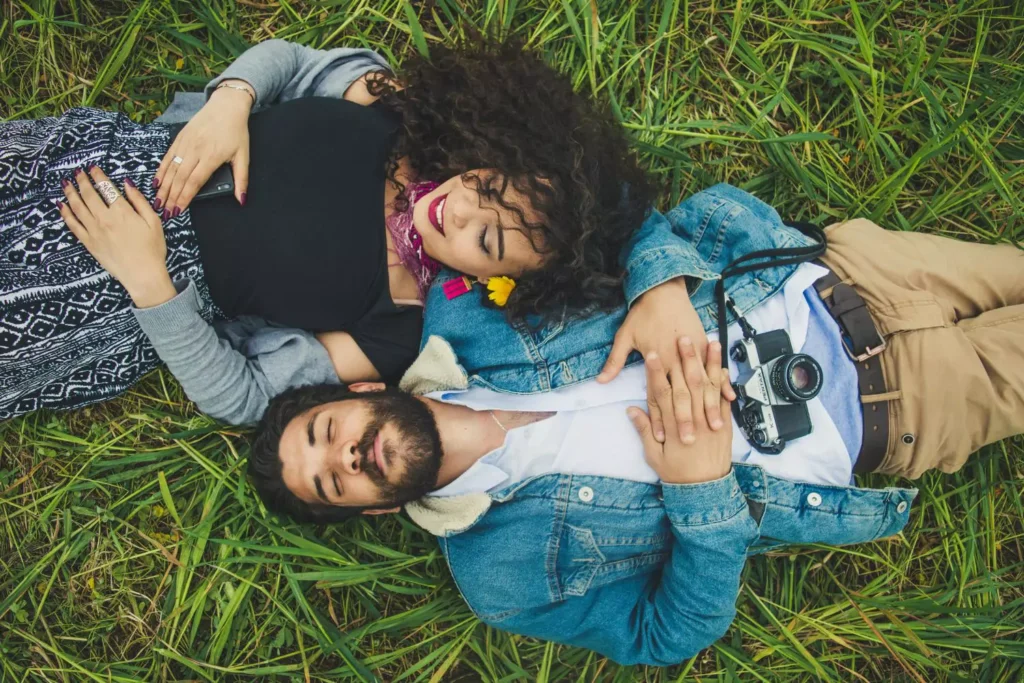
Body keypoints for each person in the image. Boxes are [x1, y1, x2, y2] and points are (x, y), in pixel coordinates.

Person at [247, 186, 1024, 666]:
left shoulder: (469, 303)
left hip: (846, 275)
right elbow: (667, 633)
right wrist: (702, 493)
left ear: (361, 389)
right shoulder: (501, 579)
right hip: (909, 410)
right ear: (371, 508)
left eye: (325, 430)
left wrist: (658, 288)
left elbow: (599, 197)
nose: (345, 453)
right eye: (333, 481)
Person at [0, 38, 654, 423]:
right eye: (486, 187)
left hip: (99, 295)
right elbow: (284, 59)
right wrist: (233, 99)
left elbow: (246, 398)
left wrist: (149, 283)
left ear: (500, 281)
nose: (458, 209)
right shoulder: (396, 112)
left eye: (486, 240)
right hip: (93, 161)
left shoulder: (396, 325)